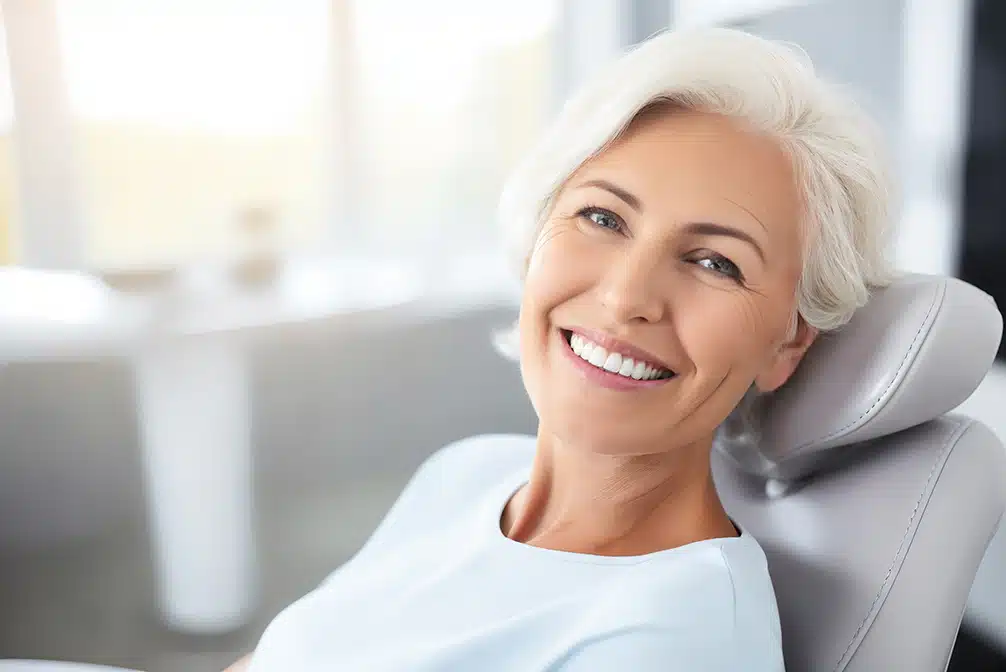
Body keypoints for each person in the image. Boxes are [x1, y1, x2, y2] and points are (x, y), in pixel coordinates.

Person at [226, 26, 892, 671]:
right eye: (603, 218)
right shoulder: (469, 474)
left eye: (716, 262)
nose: (626, 296)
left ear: (789, 342)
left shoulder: (676, 639)